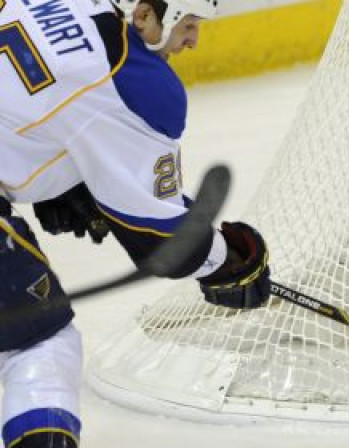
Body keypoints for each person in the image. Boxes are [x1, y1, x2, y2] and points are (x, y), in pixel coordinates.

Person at [0, 1, 271, 447]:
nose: (192, 40)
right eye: (188, 25)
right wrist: (230, 260)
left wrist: (63, 181)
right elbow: (162, 242)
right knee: (38, 343)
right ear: (143, 15)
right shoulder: (138, 82)